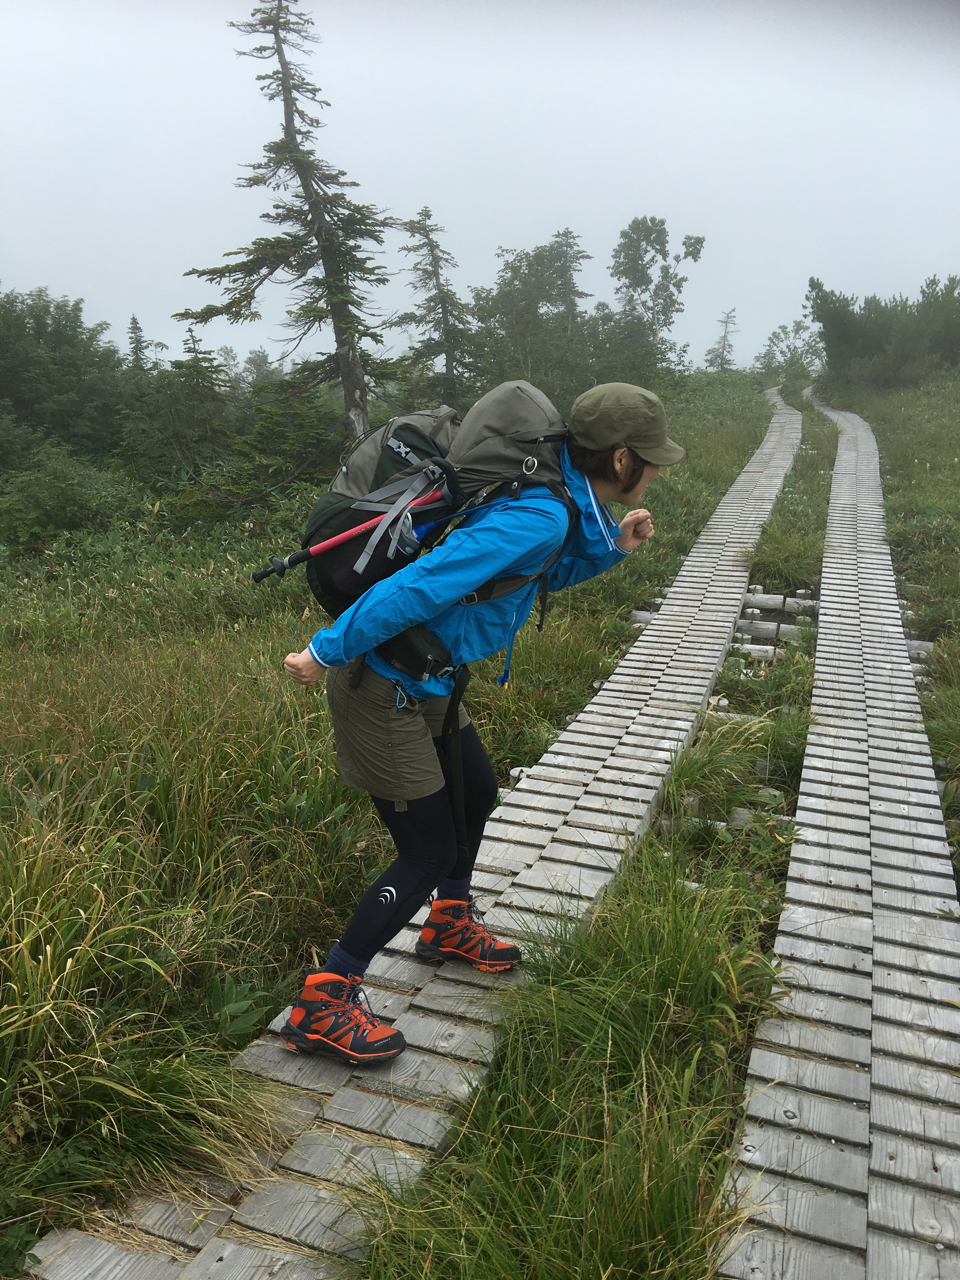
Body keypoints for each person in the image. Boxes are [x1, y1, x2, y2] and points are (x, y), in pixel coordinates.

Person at [280, 382, 684, 1063]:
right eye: (651, 459)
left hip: (429, 675)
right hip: (383, 684)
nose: (657, 471)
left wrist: (612, 546)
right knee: (426, 852)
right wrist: (326, 650)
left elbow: (525, 576)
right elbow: (421, 585)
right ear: (621, 459)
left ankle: (448, 923)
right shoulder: (541, 512)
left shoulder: (554, 497)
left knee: (478, 790)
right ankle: (323, 1000)